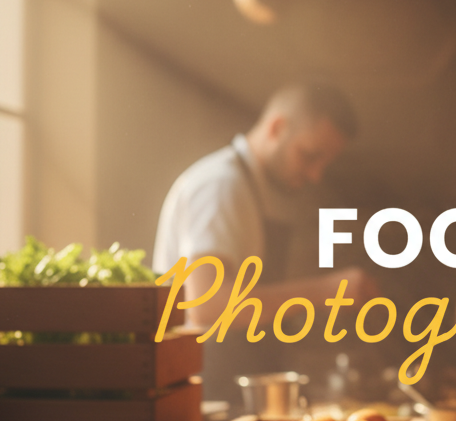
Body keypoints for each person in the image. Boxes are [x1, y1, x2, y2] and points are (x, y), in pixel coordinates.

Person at [153, 83, 376, 400]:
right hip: (205, 393)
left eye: (323, 164)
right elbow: (206, 304)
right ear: (277, 127)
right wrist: (326, 291)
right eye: (310, 156)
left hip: (234, 387)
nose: (315, 175)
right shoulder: (222, 185)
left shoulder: (253, 188)